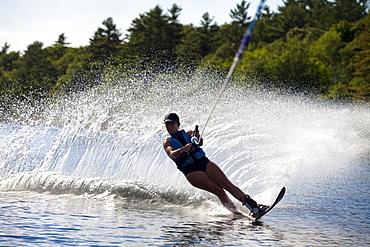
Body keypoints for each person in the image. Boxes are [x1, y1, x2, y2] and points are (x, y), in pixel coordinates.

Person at [162, 113, 267, 216]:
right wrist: (182, 150)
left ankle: (254, 207)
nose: (169, 126)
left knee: (227, 184)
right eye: (167, 124)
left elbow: (200, 142)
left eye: (171, 123)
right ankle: (237, 213)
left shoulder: (189, 133)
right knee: (219, 190)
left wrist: (198, 137)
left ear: (178, 124)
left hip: (204, 162)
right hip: (191, 171)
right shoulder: (167, 142)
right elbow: (172, 154)